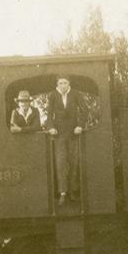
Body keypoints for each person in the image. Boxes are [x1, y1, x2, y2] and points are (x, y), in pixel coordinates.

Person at [46, 75, 83, 205]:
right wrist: (50, 127)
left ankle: (73, 191)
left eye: (65, 83)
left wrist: (80, 125)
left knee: (74, 162)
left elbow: (85, 110)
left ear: (69, 83)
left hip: (73, 134)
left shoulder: (76, 94)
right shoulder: (52, 95)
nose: (63, 85)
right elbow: (49, 114)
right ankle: (63, 193)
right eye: (60, 83)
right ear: (57, 84)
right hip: (59, 135)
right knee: (61, 163)